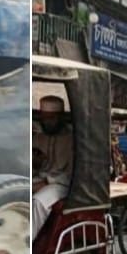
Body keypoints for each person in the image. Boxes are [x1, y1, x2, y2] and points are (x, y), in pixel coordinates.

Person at [33, 95, 73, 237]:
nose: (47, 122)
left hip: (61, 184)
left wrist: (46, 182)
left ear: (60, 117)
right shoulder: (39, 137)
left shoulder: (72, 139)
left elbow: (72, 174)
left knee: (38, 202)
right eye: (44, 118)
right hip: (40, 179)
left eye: (51, 118)